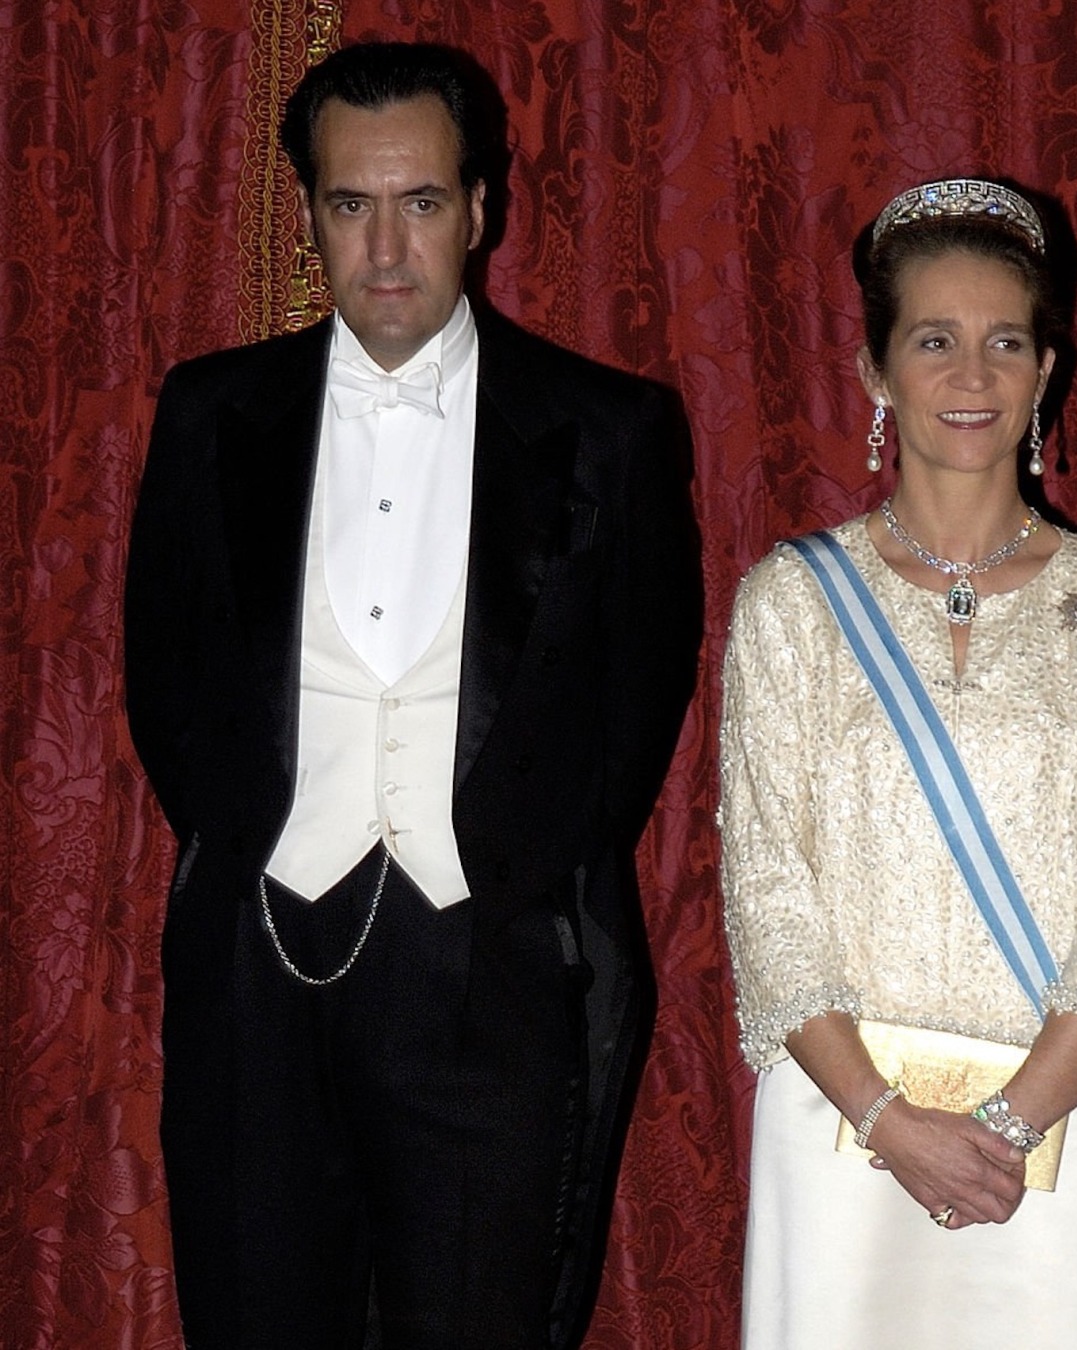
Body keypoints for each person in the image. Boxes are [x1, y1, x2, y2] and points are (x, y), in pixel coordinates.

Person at [125, 41, 700, 1350]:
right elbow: (163, 678)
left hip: (490, 977)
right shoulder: (209, 413)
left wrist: (513, 887)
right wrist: (259, 847)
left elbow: (637, 702)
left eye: (422, 202)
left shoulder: (610, 429)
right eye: (351, 204)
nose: (387, 249)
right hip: (257, 966)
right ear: (309, 214)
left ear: (479, 209)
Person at [719, 178, 1077, 1347]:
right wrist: (887, 1120)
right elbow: (767, 892)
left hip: (1054, 1133)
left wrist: (1005, 1125)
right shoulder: (790, 605)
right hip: (842, 1133)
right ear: (874, 372)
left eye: (1004, 343)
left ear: (1045, 371)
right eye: (933, 341)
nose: (971, 375)